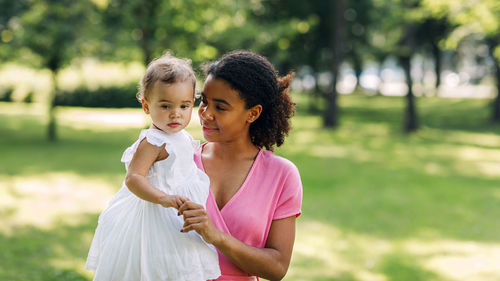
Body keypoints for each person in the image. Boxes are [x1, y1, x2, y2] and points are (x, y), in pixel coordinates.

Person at [85, 53, 221, 281]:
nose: (176, 113)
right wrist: (162, 198)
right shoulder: (154, 142)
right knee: (152, 266)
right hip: (155, 213)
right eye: (166, 105)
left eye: (184, 105)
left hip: (177, 213)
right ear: (147, 106)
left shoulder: (181, 136)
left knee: (179, 264)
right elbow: (134, 178)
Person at [178, 50, 303, 281]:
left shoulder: (282, 175)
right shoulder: (179, 162)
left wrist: (217, 236)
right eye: (204, 101)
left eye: (221, 107)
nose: (206, 114)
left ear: (253, 114)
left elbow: (277, 267)